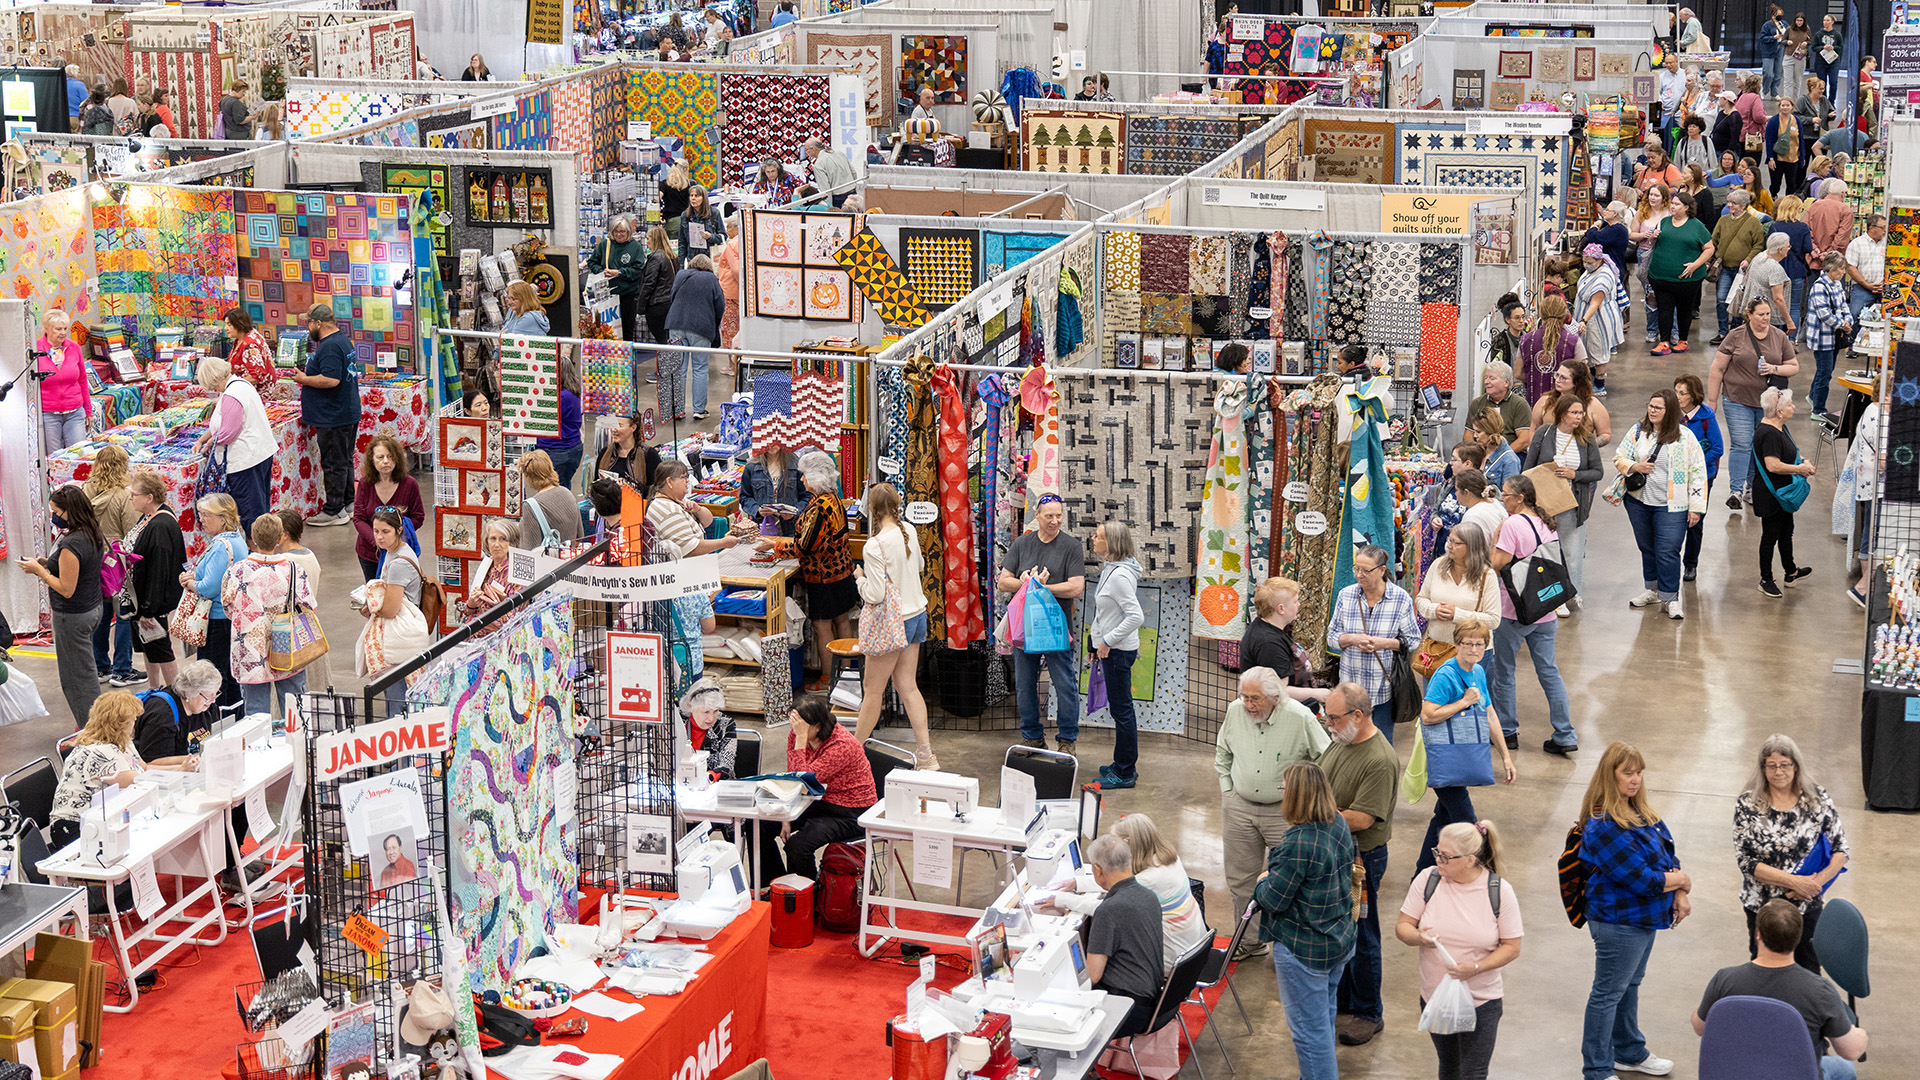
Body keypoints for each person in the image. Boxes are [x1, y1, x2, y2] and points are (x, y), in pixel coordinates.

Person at [1577, 742, 1689, 1080]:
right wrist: (1681, 880)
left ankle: (1628, 1051)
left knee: (1629, 986)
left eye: (1639, 772)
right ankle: (1597, 1068)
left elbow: (1668, 858)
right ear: (1610, 776)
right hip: (1619, 921)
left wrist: (1680, 890)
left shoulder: (1642, 813)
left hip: (1645, 918)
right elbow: (1640, 879)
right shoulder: (1604, 824)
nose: (1635, 779)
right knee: (1608, 993)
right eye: (1628, 773)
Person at [1214, 663, 1327, 958]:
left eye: (1255, 699)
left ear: (1275, 697)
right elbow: (1222, 752)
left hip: (1287, 814)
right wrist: (1227, 790)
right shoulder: (1235, 711)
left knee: (1290, 881)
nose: (1248, 704)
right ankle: (1249, 942)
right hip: (1239, 808)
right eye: (1245, 697)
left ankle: (1289, 948)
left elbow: (1326, 760)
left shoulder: (1300, 717)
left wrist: (1304, 800)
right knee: (1240, 880)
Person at [1309, 682, 1398, 1046]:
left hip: (1362, 857)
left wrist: (1311, 811)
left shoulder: (1378, 759)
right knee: (1342, 932)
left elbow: (1361, 818)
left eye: (1333, 717)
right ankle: (1345, 998)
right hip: (1335, 852)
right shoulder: (1343, 740)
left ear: (1357, 716)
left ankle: (1368, 1012)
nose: (1328, 723)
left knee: (1363, 936)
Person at [1397, 820, 1522, 1080]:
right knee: (1449, 1066)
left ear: (1470, 860)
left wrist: (1475, 969)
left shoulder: (1499, 892)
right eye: (1437, 853)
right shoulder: (1428, 880)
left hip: (1481, 1001)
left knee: (1473, 1073)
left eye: (1446, 856)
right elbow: (1403, 926)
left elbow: (1512, 947)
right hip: (1436, 998)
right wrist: (1419, 937)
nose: (1438, 860)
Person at [1254, 762, 1356, 1080]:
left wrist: (1263, 880)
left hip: (1304, 950)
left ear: (1295, 796)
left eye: (1283, 789)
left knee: (1309, 1036)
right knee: (1323, 1018)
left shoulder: (1298, 842)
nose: (1281, 794)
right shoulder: (1338, 822)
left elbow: (1272, 899)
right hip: (1338, 939)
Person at [1692, 900, 1867, 1079]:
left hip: (1737, 1073)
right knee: (1845, 1068)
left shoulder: (1724, 980)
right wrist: (1860, 1035)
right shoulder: (1819, 991)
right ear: (1798, 938)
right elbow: (1851, 1051)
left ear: (1758, 935)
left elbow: (1699, 1027)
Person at [1733, 733, 1849, 972]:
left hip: (1808, 905)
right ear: (1762, 768)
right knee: (1766, 971)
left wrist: (1815, 883)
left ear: (1796, 766)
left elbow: (1841, 850)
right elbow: (1746, 861)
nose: (1779, 772)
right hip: (1763, 908)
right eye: (1772, 766)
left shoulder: (1817, 798)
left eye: (1785, 765)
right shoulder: (1747, 803)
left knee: (1809, 969)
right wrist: (1794, 882)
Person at [1044, 815, 1206, 977]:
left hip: (1170, 958)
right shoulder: (1167, 860)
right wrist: (1076, 882)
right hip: (1193, 948)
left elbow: (1109, 910)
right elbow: (1122, 878)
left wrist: (1063, 899)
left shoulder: (1149, 879)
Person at [1485, 476, 1577, 752]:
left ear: (1520, 498)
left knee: (1504, 672)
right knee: (1549, 671)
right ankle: (1565, 734)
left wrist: (1497, 536)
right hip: (1544, 609)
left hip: (1514, 610)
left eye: (1506, 495)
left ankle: (1508, 731)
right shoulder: (1544, 520)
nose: (1502, 499)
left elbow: (1497, 563)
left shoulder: (1512, 524)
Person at [1417, 622, 1515, 871]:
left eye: (1479, 644)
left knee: (1444, 818)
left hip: (1461, 759)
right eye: (1468, 643)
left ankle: (1422, 874)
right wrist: (1463, 702)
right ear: (1457, 644)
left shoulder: (1478, 672)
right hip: (1447, 762)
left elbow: (1490, 714)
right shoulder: (1445, 674)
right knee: (1469, 824)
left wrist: (1505, 756)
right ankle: (1486, 875)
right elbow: (1427, 715)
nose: (1474, 649)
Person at [846, 482, 933, 764]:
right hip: (916, 614)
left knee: (872, 691)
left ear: (871, 508)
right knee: (908, 686)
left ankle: (854, 754)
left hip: (891, 622)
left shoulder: (875, 545)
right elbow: (919, 566)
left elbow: (875, 594)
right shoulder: (909, 530)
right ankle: (926, 754)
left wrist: (859, 579)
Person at [759, 452, 858, 693]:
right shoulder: (832, 499)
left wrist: (774, 546)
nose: (802, 480)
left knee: (822, 626)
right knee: (842, 619)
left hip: (823, 577)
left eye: (804, 476)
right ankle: (845, 675)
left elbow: (805, 547)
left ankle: (827, 680)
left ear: (814, 477)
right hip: (842, 570)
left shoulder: (820, 507)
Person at [998, 494, 1087, 753]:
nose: (1055, 521)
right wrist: (1027, 584)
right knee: (1025, 684)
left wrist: (1042, 587)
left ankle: (1067, 740)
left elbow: (1076, 587)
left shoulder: (1071, 546)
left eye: (1059, 515)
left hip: (1056, 627)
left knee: (1064, 683)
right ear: (1036, 515)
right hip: (1025, 626)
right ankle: (1032, 736)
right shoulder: (1022, 544)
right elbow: (1004, 581)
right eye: (1049, 516)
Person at [1614, 389, 1710, 620]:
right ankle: (1652, 590)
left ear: (1670, 412)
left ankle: (1670, 598)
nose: (1652, 410)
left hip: (1673, 506)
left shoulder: (1685, 437)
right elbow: (1619, 456)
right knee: (1647, 547)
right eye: (1650, 405)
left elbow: (1698, 472)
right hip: (1638, 502)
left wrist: (1696, 507)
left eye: (1658, 407)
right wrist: (1635, 467)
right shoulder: (1638, 432)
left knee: (1668, 551)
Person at [758, 698, 877, 880]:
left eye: (800, 726)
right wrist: (786, 813)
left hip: (850, 812)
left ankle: (809, 897)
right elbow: (793, 779)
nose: (794, 730)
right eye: (793, 723)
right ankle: (774, 884)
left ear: (817, 726)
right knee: (759, 824)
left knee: (798, 846)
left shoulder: (841, 745)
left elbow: (803, 779)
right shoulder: (798, 734)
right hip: (818, 800)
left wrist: (800, 739)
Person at [22, 487, 105, 727]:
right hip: (91, 609)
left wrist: (41, 572)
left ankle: (92, 729)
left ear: (70, 511)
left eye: (56, 511)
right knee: (85, 670)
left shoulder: (73, 542)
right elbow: (78, 568)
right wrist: (49, 563)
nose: (53, 516)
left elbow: (66, 588)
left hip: (73, 615)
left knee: (77, 677)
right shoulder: (92, 531)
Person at [1708, 297, 1800, 511]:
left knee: (1759, 447)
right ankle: (1736, 491)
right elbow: (1717, 368)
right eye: (1761, 314)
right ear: (1749, 314)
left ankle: (1752, 488)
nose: (1766, 318)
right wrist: (1711, 401)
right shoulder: (1735, 336)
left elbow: (1793, 366)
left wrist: (1774, 369)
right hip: (1737, 398)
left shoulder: (1779, 337)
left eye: (1768, 314)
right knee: (1742, 444)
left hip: (1768, 404)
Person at [221, 513, 314, 718]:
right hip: (287, 644)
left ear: (253, 536)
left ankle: (259, 748)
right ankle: (298, 747)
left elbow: (228, 607)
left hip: (249, 648)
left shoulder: (237, 571)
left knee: (256, 713)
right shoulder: (293, 569)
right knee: (295, 709)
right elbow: (308, 606)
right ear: (280, 537)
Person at [1327, 543, 1419, 744]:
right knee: (1347, 744)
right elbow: (1331, 637)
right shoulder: (1346, 595)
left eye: (1366, 570)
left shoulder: (1400, 599)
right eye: (1356, 569)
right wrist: (1352, 639)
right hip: (1350, 689)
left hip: (1382, 689)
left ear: (1382, 570)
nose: (1359, 575)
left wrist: (1383, 643)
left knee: (1381, 745)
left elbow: (1413, 640)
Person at [1524, 394, 1603, 606]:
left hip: (1572, 505)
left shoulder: (1586, 439)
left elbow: (1598, 472)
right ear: (1562, 413)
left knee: (1572, 553)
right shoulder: (1544, 433)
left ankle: (1571, 593)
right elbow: (1529, 468)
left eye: (1581, 413)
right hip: (1544, 505)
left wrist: (1574, 475)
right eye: (1574, 412)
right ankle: (1550, 597)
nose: (1579, 417)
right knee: (1545, 551)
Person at [355, 508, 433, 711]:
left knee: (398, 699)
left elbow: (390, 609)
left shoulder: (398, 563)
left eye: (385, 531)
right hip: (404, 633)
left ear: (399, 530)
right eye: (376, 531)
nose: (379, 537)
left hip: (400, 636)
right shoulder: (398, 552)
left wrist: (372, 609)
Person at [48, 693, 147, 848]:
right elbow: (139, 780)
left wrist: (182, 768)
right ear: (121, 723)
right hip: (75, 826)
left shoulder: (122, 742)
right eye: (133, 719)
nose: (135, 723)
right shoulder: (98, 752)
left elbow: (145, 768)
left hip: (98, 818)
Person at [192, 356, 279, 529]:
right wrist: (202, 439)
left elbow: (228, 432)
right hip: (257, 454)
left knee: (250, 514)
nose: (213, 390)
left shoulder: (232, 394)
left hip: (245, 461)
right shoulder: (239, 385)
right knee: (259, 508)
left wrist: (209, 444)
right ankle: (261, 549)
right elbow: (221, 423)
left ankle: (256, 551)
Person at [294, 305, 360, 527]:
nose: (308, 327)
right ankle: (348, 502)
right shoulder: (342, 340)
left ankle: (334, 510)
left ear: (318, 323)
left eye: (309, 323)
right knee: (344, 461)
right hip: (344, 412)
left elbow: (332, 380)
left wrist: (305, 379)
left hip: (333, 416)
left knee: (333, 463)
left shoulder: (330, 346)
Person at [1090, 521, 1145, 789]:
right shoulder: (1111, 569)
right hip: (1112, 650)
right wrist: (1095, 644)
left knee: (1122, 712)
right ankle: (1122, 764)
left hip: (1118, 652)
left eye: (1098, 537)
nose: (1093, 539)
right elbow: (1105, 614)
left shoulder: (1120, 576)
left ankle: (1124, 772)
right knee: (1120, 710)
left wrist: (1107, 642)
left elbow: (1136, 616)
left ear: (1111, 543)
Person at [184, 494, 247, 712]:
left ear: (222, 518)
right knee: (230, 674)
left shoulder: (221, 546)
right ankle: (234, 715)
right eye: (200, 514)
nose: (201, 519)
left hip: (217, 620)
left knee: (213, 674)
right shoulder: (237, 539)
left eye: (206, 515)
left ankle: (217, 717)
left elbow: (209, 588)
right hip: (230, 618)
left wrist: (191, 582)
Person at [82, 445, 139, 687]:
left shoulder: (86, 490)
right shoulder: (124, 496)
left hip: (94, 558)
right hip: (119, 562)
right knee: (124, 614)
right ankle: (122, 669)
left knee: (102, 616)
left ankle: (101, 667)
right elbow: (132, 531)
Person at [1753, 386, 1817, 598]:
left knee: (1786, 531)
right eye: (1790, 405)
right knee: (1770, 536)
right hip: (1772, 494)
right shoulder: (1769, 433)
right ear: (1779, 411)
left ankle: (1791, 572)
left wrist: (1802, 462)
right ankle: (1765, 579)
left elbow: (1787, 455)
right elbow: (1772, 465)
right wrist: (1800, 469)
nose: (1794, 407)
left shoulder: (1780, 427)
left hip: (1783, 491)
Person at [127, 472, 186, 690]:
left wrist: (149, 609)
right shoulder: (150, 517)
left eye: (134, 494)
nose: (130, 498)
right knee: (149, 647)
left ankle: (175, 693)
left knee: (161, 648)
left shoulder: (159, 525)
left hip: (153, 603)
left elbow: (159, 571)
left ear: (149, 497)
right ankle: (154, 689)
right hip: (143, 599)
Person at [1241, 577, 1330, 706]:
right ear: (1281, 609)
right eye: (1295, 601)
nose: (1299, 604)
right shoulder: (1269, 644)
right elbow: (1280, 691)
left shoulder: (1265, 627)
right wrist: (1316, 694)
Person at [1417, 522, 1500, 652]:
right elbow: (1421, 599)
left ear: (1471, 546)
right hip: (1436, 649)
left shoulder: (1487, 576)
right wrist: (1434, 610)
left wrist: (1456, 614)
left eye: (1456, 543)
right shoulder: (1438, 566)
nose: (1449, 545)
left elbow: (1493, 620)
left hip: (1472, 652)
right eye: (1449, 540)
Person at [352, 435, 425, 581]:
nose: (385, 461)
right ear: (372, 460)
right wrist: (377, 539)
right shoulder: (365, 484)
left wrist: (394, 536)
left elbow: (418, 516)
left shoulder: (409, 484)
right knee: (374, 594)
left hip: (400, 551)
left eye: (390, 456)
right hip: (369, 553)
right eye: (380, 457)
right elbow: (358, 518)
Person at [663, 253, 725, 422]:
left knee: (678, 368)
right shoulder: (711, 278)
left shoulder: (681, 274)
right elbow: (720, 305)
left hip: (676, 325)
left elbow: (672, 296)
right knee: (700, 368)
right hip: (701, 328)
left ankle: (677, 410)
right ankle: (698, 409)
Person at [1672, 376, 1724, 580]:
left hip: (1701, 477)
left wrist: (1695, 464)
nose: (1677, 396)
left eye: (1682, 393)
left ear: (1694, 396)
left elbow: (1717, 448)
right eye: (1675, 391)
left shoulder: (1706, 416)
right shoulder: (1672, 414)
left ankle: (1691, 564)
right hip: (1676, 477)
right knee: (1673, 519)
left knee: (1695, 520)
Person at [275, 510, 329, 691]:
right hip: (311, 626)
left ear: (285, 534)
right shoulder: (310, 555)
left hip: (290, 630)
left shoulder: (283, 561)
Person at [135, 660, 219, 768]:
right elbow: (151, 762)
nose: (213, 701)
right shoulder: (162, 714)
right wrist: (199, 757)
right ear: (189, 693)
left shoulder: (207, 706)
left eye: (215, 694)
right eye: (209, 696)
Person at [1707, 189, 1765, 343]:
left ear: (1744, 205)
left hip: (1742, 270)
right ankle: (1723, 333)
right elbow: (1714, 241)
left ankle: (1737, 333)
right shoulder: (1723, 220)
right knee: (1721, 299)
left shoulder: (1753, 223)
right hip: (1724, 268)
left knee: (1739, 301)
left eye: (1734, 203)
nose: (1729, 205)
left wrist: (1748, 259)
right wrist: (1711, 259)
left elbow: (1759, 245)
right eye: (1729, 202)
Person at [35, 309, 92, 452]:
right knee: (54, 458)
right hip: (48, 414)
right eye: (58, 329)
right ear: (46, 329)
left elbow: (83, 380)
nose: (63, 332)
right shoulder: (35, 349)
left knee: (79, 454)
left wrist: (88, 411)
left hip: (75, 411)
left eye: (65, 328)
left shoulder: (74, 347)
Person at [1805, 252, 1852, 421]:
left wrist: (1848, 320)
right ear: (1830, 269)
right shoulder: (1819, 287)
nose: (1843, 272)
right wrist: (1842, 324)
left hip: (1834, 337)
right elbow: (1824, 314)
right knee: (1825, 373)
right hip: (1822, 338)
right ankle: (1818, 409)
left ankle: (1812, 396)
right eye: (1841, 268)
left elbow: (1844, 305)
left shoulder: (1837, 284)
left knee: (1827, 370)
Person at [1519, 294, 1583, 411]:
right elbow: (1583, 375)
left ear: (1541, 314)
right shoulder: (1573, 342)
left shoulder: (1525, 340)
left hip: (1534, 404)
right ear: (1564, 314)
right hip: (1565, 406)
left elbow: (1518, 373)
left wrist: (1535, 377)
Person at [588, 216, 647, 342]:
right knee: (607, 330)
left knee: (627, 330)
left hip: (627, 296)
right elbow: (592, 262)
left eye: (622, 232)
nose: (619, 234)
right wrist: (602, 272)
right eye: (616, 231)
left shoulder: (635, 247)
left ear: (628, 232)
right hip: (607, 297)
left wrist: (619, 273)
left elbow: (638, 270)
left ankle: (627, 358)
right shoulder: (605, 244)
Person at [1628, 186, 1673, 345]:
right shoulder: (1642, 213)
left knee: (1668, 294)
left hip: (1665, 255)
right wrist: (1644, 235)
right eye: (1651, 195)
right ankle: (1652, 330)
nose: (1652, 198)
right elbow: (1632, 234)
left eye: (1656, 195)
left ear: (1664, 198)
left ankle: (1672, 331)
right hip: (1645, 254)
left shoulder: (1670, 213)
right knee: (1650, 293)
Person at [1572, 244, 1625, 374]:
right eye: (1584, 261)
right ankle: (1590, 378)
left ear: (1599, 260)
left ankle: (1600, 384)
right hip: (1586, 315)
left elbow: (1595, 304)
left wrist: (1584, 321)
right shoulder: (1592, 270)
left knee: (1597, 350)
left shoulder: (1603, 277)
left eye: (1589, 262)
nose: (1586, 265)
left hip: (1597, 319)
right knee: (1586, 350)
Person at [516, 450, 586, 549]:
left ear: (527, 475)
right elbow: (580, 535)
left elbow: (529, 549)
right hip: (570, 559)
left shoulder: (531, 506)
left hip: (548, 562)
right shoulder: (567, 493)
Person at [536, 353, 583, 488]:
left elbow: (543, 417)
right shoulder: (573, 392)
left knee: (554, 489)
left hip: (557, 450)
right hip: (570, 447)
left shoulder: (562, 397)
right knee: (562, 486)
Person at [677, 678, 738, 781]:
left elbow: (727, 763)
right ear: (691, 707)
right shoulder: (677, 720)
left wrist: (710, 777)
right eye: (706, 712)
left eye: (716, 711)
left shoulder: (726, 725)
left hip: (713, 784)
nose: (711, 718)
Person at [1464, 361, 1532, 452]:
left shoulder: (1519, 404)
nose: (1486, 382)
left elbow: (1524, 440)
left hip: (1513, 453)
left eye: (1492, 378)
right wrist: (1478, 454)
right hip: (1482, 453)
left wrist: (1501, 456)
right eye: (1486, 378)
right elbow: (1468, 435)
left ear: (1506, 382)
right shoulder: (1477, 403)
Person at [462, 519, 519, 621]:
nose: (496, 544)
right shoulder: (487, 565)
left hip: (500, 635)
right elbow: (467, 612)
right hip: (476, 631)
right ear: (487, 542)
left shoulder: (515, 573)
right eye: (493, 538)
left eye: (503, 539)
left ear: (511, 543)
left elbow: (517, 619)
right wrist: (471, 605)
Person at [740, 441, 803, 535]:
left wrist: (795, 512)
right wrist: (757, 510)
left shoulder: (797, 465)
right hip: (762, 527)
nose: (771, 444)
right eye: (768, 440)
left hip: (792, 528)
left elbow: (807, 497)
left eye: (775, 440)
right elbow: (745, 497)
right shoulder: (751, 467)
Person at [1769, 197, 1813, 328]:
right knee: (1794, 306)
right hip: (1797, 270)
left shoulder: (1775, 226)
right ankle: (1792, 339)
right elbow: (1808, 248)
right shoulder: (1803, 227)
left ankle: (1778, 336)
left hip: (1777, 270)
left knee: (1778, 304)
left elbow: (1769, 248)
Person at [637, 225, 679, 360]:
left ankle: (663, 372)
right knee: (667, 339)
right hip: (669, 303)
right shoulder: (672, 256)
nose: (647, 241)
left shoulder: (656, 258)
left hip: (657, 305)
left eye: (648, 238)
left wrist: (640, 307)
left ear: (654, 239)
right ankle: (668, 371)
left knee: (661, 341)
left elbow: (649, 283)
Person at [596, 412, 661, 490]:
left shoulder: (649, 455)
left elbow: (658, 489)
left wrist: (630, 488)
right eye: (612, 425)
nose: (613, 430)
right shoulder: (605, 453)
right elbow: (594, 485)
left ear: (633, 428)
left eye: (619, 425)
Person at [1843, 212, 1886, 323]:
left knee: (1890, 314)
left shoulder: (1887, 244)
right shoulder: (1857, 243)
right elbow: (1851, 267)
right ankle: (1854, 339)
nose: (1885, 231)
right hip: (1862, 286)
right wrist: (1866, 284)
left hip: (1885, 287)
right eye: (1882, 228)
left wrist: (1885, 284)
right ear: (1872, 228)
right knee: (1855, 313)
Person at [1807, 179, 1854, 270]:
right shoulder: (1846, 211)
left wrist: (1814, 249)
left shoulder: (1814, 206)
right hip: (1834, 263)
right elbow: (1841, 239)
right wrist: (1829, 253)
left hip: (1814, 259)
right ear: (1842, 193)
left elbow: (1806, 230)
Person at [1467, 412, 1521, 491]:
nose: (1475, 436)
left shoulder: (1510, 460)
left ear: (1490, 431)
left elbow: (1509, 496)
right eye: (1474, 431)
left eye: (1478, 432)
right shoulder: (1478, 451)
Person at [1765, 95, 1805, 198]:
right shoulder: (1774, 121)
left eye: (1788, 105)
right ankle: (1774, 197)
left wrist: (1802, 156)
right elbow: (1769, 140)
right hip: (1778, 158)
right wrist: (1770, 158)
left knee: (1791, 184)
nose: (1785, 107)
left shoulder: (1797, 121)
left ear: (1792, 107)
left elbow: (1800, 139)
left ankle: (1788, 202)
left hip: (1793, 158)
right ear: (1779, 106)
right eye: (1783, 105)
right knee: (1775, 183)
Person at [1455, 468, 1506, 546]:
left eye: (1457, 490)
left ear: (1466, 492)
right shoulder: (1493, 502)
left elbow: (1472, 550)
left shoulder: (1473, 516)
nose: (1456, 494)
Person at [714, 216, 742, 352]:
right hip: (741, 293)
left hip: (730, 291)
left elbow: (736, 269)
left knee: (730, 328)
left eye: (729, 226)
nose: (726, 230)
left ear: (737, 228)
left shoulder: (732, 244)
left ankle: (732, 364)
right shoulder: (746, 241)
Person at [803, 137, 855, 207]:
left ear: (813, 149)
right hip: (853, 192)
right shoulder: (839, 153)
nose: (806, 153)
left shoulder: (819, 164)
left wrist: (829, 208)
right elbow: (853, 172)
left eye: (806, 150)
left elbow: (826, 190)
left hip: (838, 198)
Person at [679, 185, 725, 261]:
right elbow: (682, 242)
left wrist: (711, 237)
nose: (693, 198)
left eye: (697, 196)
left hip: (709, 258)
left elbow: (723, 237)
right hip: (692, 259)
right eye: (691, 195)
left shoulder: (714, 213)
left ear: (703, 198)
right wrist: (680, 266)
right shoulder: (685, 215)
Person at [1485, 299, 1528, 370]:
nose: (1521, 321)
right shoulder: (1500, 340)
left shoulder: (1528, 338)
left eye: (1523, 317)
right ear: (1508, 320)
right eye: (1517, 318)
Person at [659, 160, 692, 242]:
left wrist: (657, 215)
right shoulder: (690, 185)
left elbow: (656, 199)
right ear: (684, 170)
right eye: (688, 170)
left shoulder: (665, 183)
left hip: (668, 222)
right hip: (684, 220)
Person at [1810, 15, 1842, 95]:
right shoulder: (1818, 34)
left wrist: (1833, 47)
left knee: (1833, 81)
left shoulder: (1837, 34)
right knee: (1822, 82)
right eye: (1824, 20)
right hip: (1821, 61)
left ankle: (1831, 101)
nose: (1825, 22)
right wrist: (1823, 47)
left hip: (1833, 61)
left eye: (1828, 20)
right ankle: (1823, 100)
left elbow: (1841, 47)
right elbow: (1814, 48)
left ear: (1832, 22)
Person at [1760, 5, 1787, 97]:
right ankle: (1765, 90)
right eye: (1778, 15)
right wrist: (1773, 37)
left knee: (1778, 73)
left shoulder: (1784, 24)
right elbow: (1762, 38)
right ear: (1773, 15)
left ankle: (1774, 93)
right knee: (1768, 73)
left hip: (1781, 49)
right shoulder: (1767, 25)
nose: (1780, 17)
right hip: (1769, 51)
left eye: (1781, 15)